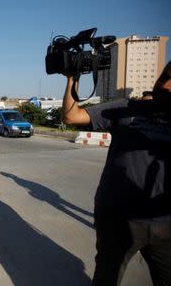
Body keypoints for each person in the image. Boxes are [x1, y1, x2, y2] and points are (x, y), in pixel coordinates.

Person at [61, 61, 171, 285]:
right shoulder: (128, 108)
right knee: (106, 278)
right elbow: (72, 117)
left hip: (166, 224)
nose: (167, 85)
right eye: (165, 77)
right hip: (117, 219)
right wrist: (72, 79)